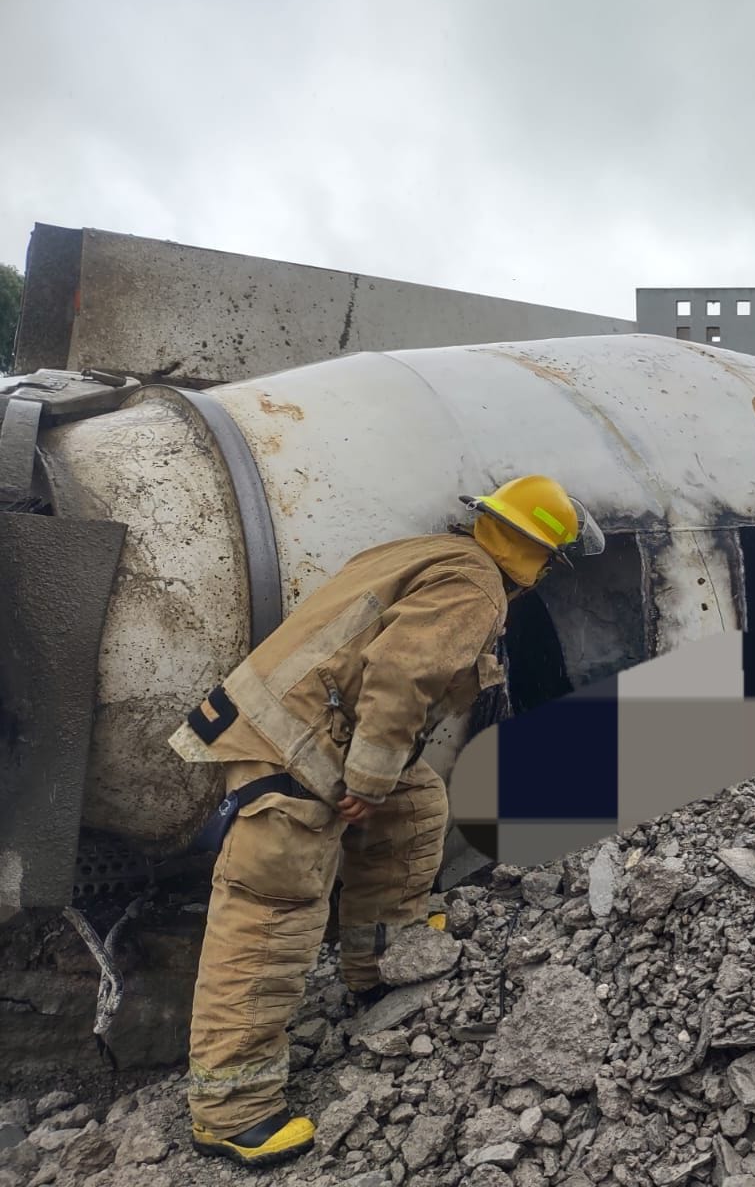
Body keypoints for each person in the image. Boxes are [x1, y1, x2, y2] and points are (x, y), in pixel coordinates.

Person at [166, 474, 605, 1168]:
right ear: (539, 557)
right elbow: (400, 675)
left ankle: (379, 960)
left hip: (283, 725)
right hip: (300, 755)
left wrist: (386, 780)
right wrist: (368, 779)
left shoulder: (427, 552)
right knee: (271, 915)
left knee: (416, 803)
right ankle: (232, 1112)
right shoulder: (474, 588)